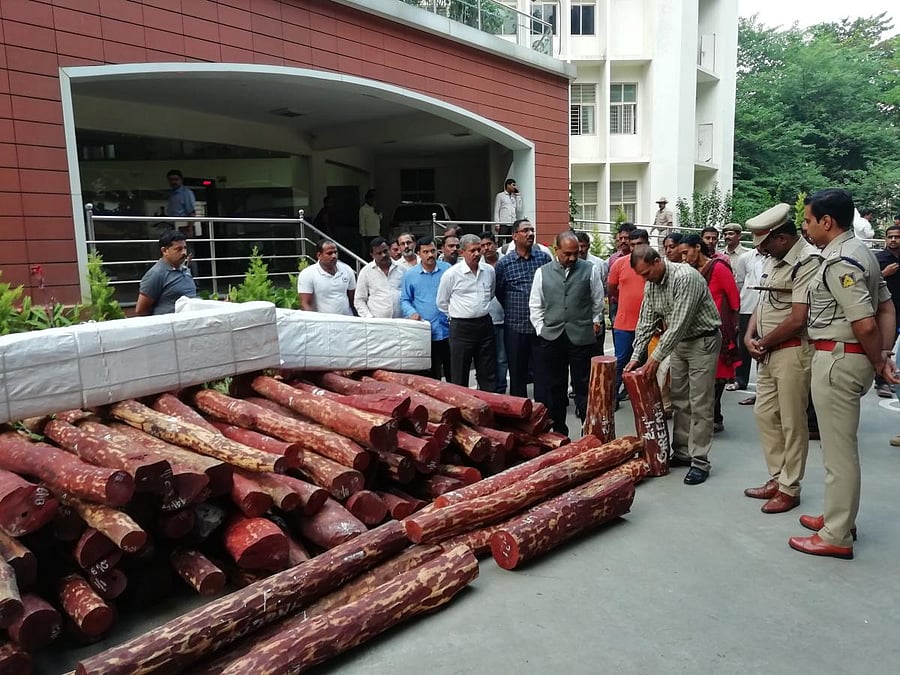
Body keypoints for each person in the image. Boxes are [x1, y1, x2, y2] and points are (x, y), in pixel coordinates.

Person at [789, 188, 898, 560]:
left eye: (807, 220)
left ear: (826, 222)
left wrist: (879, 359)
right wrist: (882, 355)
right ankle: (839, 517)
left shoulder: (840, 261)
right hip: (850, 357)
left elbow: (865, 323)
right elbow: (886, 307)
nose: (804, 226)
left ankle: (837, 535)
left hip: (838, 358)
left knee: (839, 454)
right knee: (839, 449)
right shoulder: (862, 252)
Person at [742, 203, 822, 514]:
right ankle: (777, 476)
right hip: (768, 350)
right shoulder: (777, 260)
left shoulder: (807, 262)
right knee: (765, 414)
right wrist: (750, 336)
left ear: (781, 239)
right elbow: (764, 302)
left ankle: (790, 487)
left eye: (764, 245)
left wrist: (761, 341)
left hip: (792, 350)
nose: (761, 251)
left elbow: (798, 318)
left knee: (792, 421)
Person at [626, 245, 722, 485]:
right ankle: (682, 452)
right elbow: (646, 321)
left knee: (700, 402)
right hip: (679, 344)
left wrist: (655, 359)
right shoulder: (652, 284)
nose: (644, 279)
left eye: (646, 273)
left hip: (702, 341)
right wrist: (636, 356)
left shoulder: (685, 277)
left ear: (658, 261)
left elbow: (678, 324)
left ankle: (700, 460)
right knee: (680, 399)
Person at [529, 231, 605, 436]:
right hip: (552, 337)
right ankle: (559, 430)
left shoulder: (590, 270)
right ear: (557, 250)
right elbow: (536, 305)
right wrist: (541, 329)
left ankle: (587, 429)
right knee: (555, 386)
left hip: (581, 336)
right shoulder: (542, 272)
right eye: (568, 254)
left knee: (583, 385)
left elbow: (598, 301)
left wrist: (592, 322)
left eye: (576, 254)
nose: (572, 258)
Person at [678, 234, 740, 433]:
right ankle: (710, 416)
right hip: (694, 331)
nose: (684, 258)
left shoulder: (719, 268)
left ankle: (713, 416)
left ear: (698, 247)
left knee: (717, 376)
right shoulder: (688, 271)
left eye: (686, 252)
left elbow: (734, 300)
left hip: (718, 330)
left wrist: (733, 327)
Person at [495, 219, 552, 398]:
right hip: (515, 327)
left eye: (532, 230)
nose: (530, 234)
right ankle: (519, 414)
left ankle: (543, 411)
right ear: (514, 236)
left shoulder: (543, 258)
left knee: (542, 372)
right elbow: (499, 291)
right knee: (517, 373)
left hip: (540, 326)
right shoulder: (505, 264)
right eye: (525, 230)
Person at [436, 234, 497, 391]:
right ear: (462, 252)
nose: (477, 253)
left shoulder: (489, 271)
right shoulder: (451, 274)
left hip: (485, 324)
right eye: (473, 250)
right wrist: (457, 315)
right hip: (461, 328)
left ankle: (488, 409)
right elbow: (442, 302)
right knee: (459, 373)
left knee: (487, 371)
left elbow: (490, 293)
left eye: (479, 249)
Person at [400, 236, 451, 380]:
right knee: (431, 375)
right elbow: (404, 299)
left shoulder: (447, 270)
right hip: (426, 331)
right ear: (418, 253)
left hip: (448, 329)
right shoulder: (410, 275)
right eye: (426, 252)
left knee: (453, 371)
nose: (430, 255)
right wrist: (412, 313)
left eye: (433, 251)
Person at [608, 228, 650, 402]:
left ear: (647, 244)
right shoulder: (620, 263)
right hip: (624, 323)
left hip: (649, 325)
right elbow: (611, 289)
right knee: (621, 362)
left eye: (639, 244)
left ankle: (645, 399)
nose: (635, 248)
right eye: (632, 245)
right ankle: (613, 397)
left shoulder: (655, 263)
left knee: (647, 364)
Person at [731, 245, 766, 396]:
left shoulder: (774, 258)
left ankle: (762, 387)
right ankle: (740, 379)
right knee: (744, 345)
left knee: (763, 345)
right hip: (748, 305)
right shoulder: (745, 258)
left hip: (765, 308)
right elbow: (740, 282)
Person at [135, 230, 197, 316]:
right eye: (178, 249)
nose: (184, 253)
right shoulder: (156, 274)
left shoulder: (184, 269)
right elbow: (141, 310)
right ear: (164, 251)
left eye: (185, 248)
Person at [297, 239, 356, 315]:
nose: (334, 256)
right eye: (329, 253)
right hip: (323, 324)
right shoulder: (307, 274)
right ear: (319, 255)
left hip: (347, 320)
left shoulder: (347, 270)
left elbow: (353, 299)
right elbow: (305, 304)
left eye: (335, 252)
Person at [875, 223, 900, 401]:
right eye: (890, 237)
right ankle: (881, 380)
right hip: (887, 310)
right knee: (886, 346)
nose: (893, 240)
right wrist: (884, 273)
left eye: (897, 237)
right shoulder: (879, 259)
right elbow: (868, 283)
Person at [481, 231, 508, 393]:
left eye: (489, 244)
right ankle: (485, 389)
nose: (486, 248)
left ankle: (500, 389)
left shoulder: (505, 263)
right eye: (482, 246)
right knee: (484, 358)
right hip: (483, 319)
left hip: (504, 318)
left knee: (501, 357)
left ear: (495, 244)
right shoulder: (478, 265)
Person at [575, 231, 609, 355]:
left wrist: (596, 318)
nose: (580, 250)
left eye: (583, 246)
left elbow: (603, 289)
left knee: (596, 352)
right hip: (577, 319)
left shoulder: (599, 263)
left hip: (595, 316)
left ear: (588, 246)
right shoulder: (569, 264)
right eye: (577, 246)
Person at [354, 237, 404, 318]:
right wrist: (369, 317)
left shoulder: (401, 268)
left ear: (389, 249)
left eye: (385, 251)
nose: (383, 255)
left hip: (402, 321)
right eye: (379, 253)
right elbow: (359, 299)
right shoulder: (366, 272)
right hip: (378, 323)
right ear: (372, 255)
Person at [358, 189, 382, 254]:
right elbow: (362, 222)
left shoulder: (374, 208)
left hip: (376, 233)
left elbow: (380, 217)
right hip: (368, 235)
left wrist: (377, 211)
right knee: (369, 251)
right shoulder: (363, 209)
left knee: (377, 250)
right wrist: (363, 234)